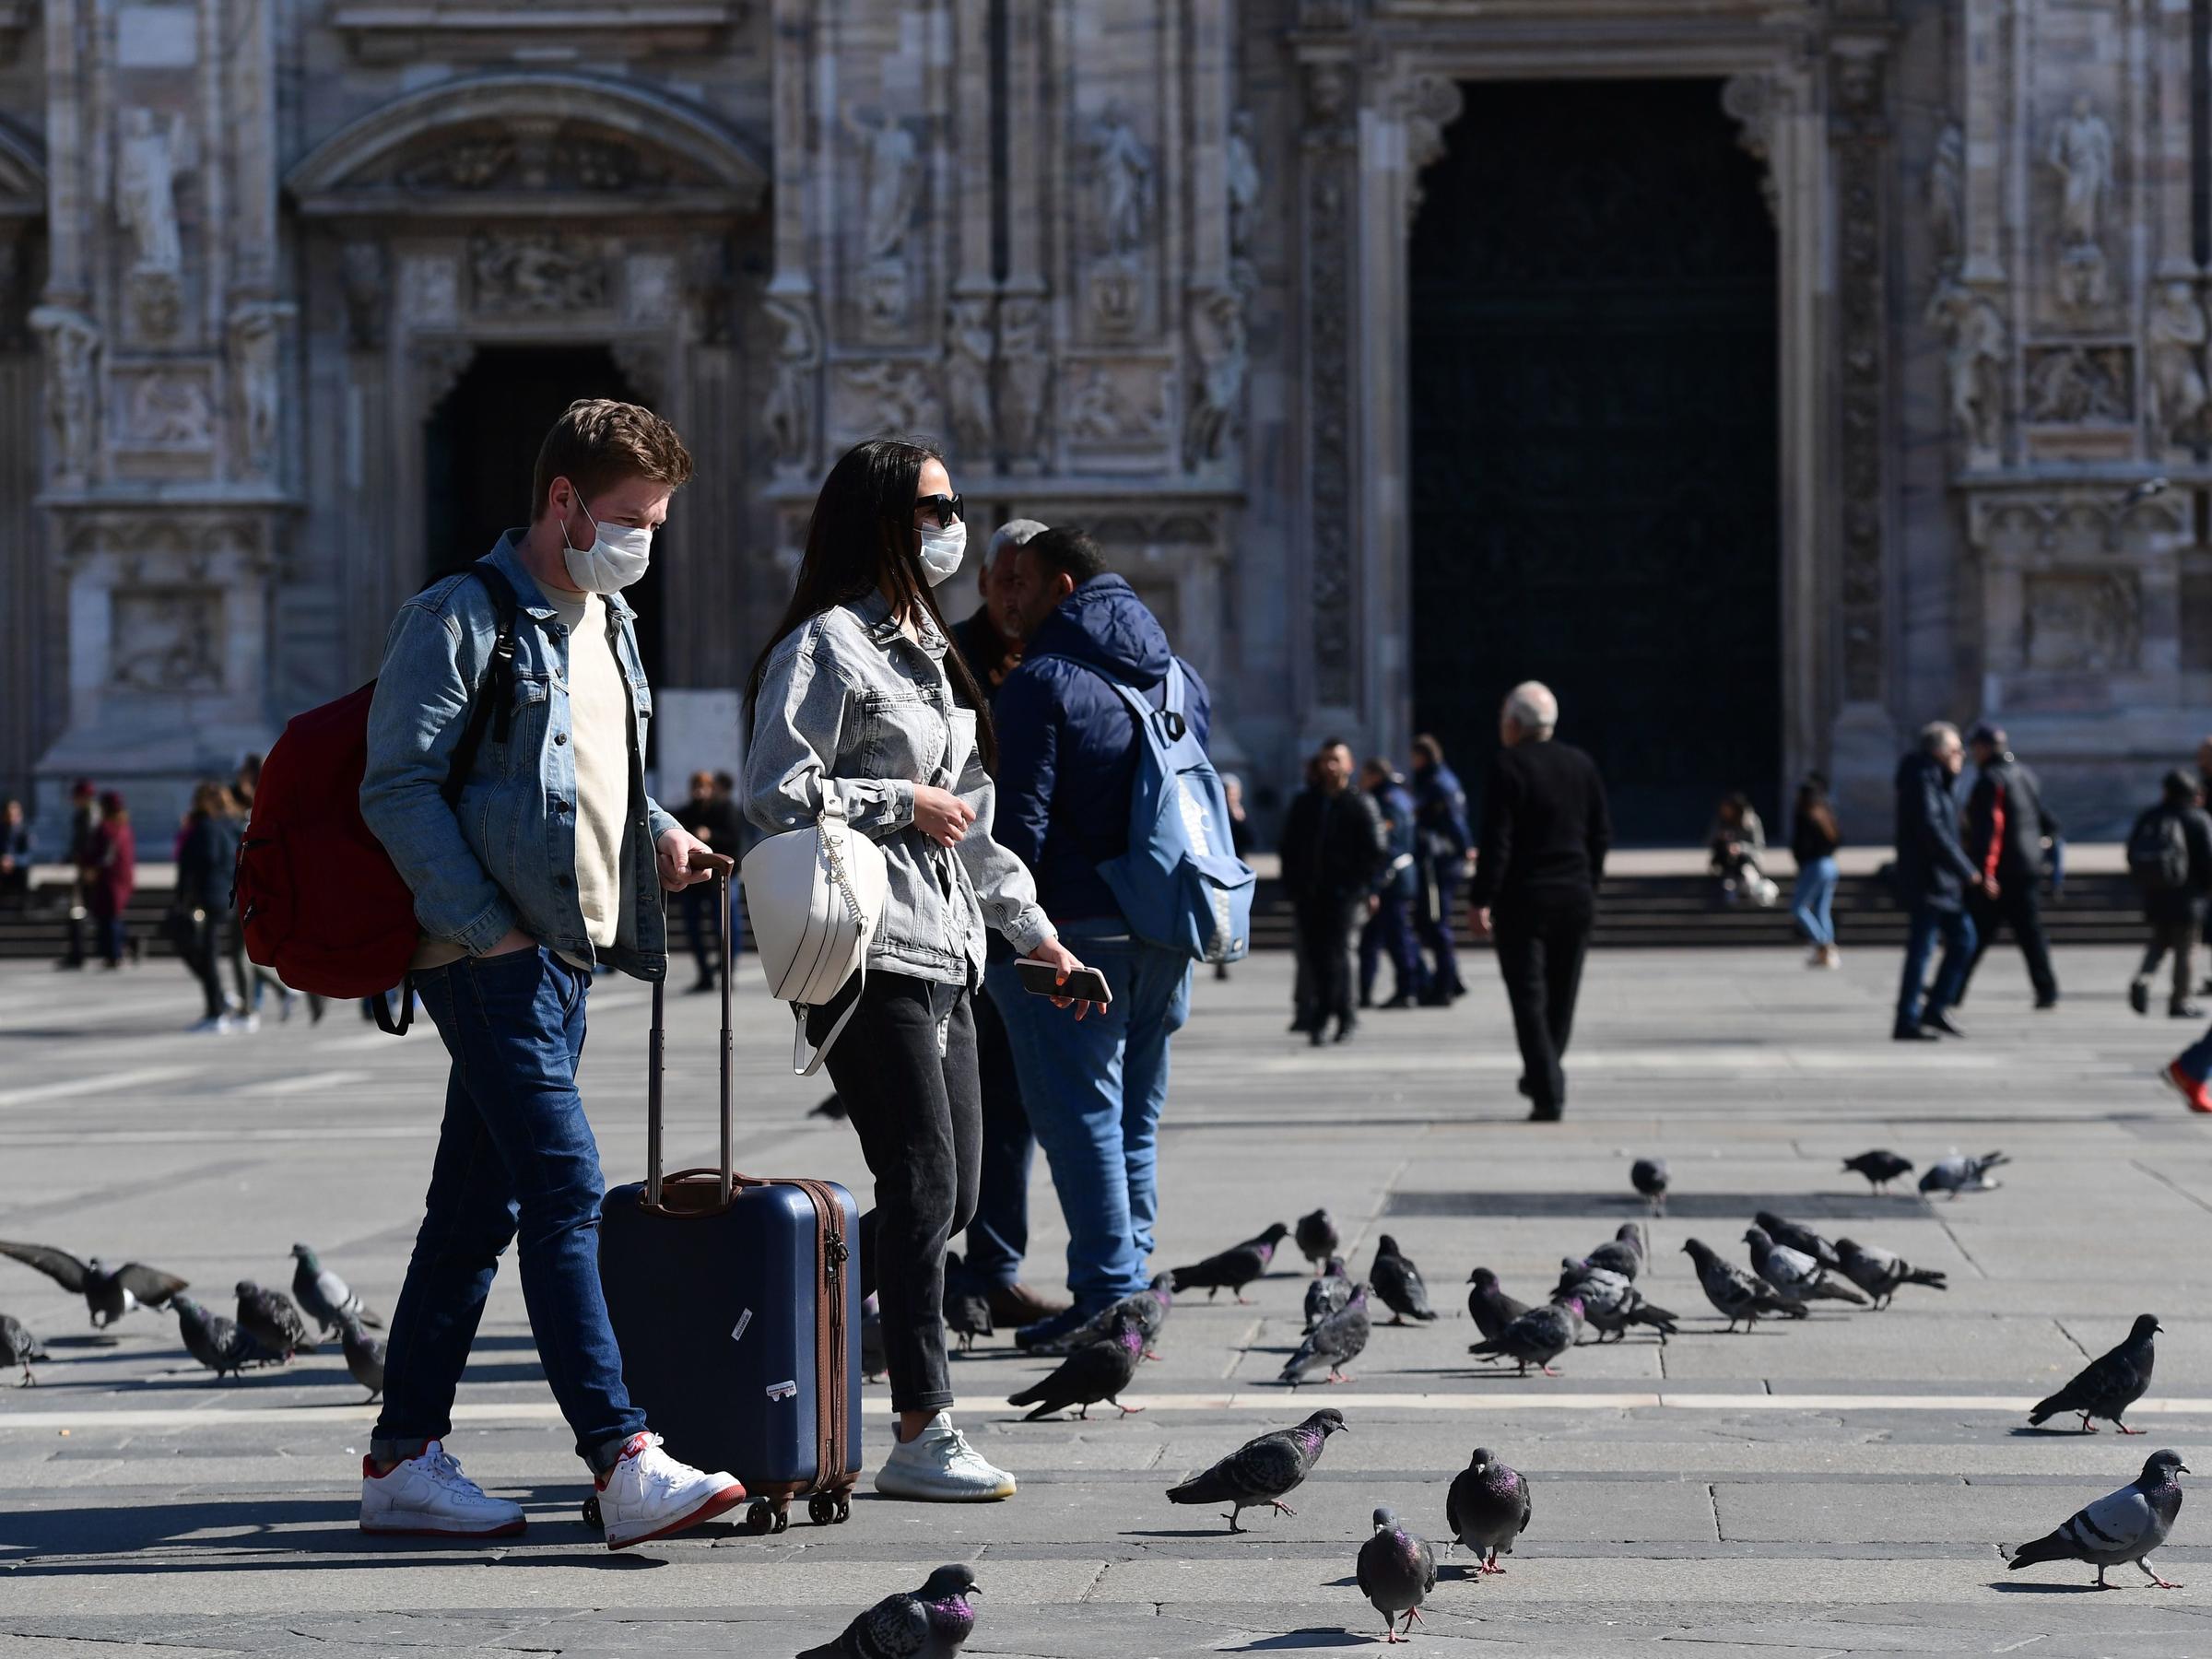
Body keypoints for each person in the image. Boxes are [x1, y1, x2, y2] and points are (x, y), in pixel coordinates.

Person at [359, 396, 744, 1547]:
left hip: (564, 955)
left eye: (659, 524)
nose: (643, 543)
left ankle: (402, 1461)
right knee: (567, 1190)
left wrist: (660, 831)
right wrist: (484, 927)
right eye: (629, 518)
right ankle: (623, 1458)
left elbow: (592, 766)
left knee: (472, 1214)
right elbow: (397, 785)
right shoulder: (460, 616)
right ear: (563, 501)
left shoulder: (606, 621)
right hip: (490, 958)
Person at [745, 438, 1093, 1501]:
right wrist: (899, 803)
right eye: (936, 506)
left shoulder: (928, 654)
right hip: (863, 948)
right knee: (922, 1175)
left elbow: (976, 824)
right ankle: (922, 1427)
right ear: (885, 519)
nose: (954, 524)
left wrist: (1038, 937)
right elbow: (773, 793)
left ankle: (839, 1341)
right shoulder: (824, 648)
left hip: (948, 947)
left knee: (957, 1190)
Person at [988, 524, 1216, 1347]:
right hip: (1164, 929)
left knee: (1080, 1115)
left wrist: (1012, 934)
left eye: (1020, 580)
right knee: (1135, 1116)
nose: (1005, 595)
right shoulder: (1180, 680)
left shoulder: (1041, 683)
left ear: (1063, 590)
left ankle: (1109, 1297)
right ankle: (1133, 1287)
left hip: (1075, 939)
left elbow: (1021, 829)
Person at [948, 516, 1069, 1329]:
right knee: (952, 1118)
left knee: (1014, 1102)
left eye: (1031, 582)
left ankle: (992, 1266)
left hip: (1027, 911)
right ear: (986, 583)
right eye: (1007, 581)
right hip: (961, 908)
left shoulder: (1060, 661)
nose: (1016, 597)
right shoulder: (952, 659)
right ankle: (920, 1276)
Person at [1467, 682, 1610, 1122]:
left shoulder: (1507, 766)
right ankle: (1543, 1073)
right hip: (1573, 897)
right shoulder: (1580, 764)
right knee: (1560, 997)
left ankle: (1547, 1088)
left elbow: (1498, 841)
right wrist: (1589, 883)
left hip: (1522, 899)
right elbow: (1600, 834)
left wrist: (1480, 899)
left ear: (1513, 724)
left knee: (1529, 998)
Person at [1280, 739, 1386, 1046]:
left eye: (1337, 760)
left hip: (1344, 895)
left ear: (1349, 765)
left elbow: (1376, 849)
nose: (1330, 766)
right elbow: (1290, 847)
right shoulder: (1306, 803)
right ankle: (1320, 1014)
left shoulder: (1361, 803)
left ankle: (1345, 1014)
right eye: (1326, 760)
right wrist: (1295, 884)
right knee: (1313, 956)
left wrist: (1361, 885)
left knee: (1340, 954)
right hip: (1311, 895)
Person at [1891, 720, 1989, 1041]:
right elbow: (1933, 831)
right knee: (1923, 948)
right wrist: (1968, 871)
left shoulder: (1937, 779)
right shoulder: (1922, 779)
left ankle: (1934, 1008)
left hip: (1941, 881)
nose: (1962, 754)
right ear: (1939, 751)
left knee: (1963, 940)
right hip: (1928, 880)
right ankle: (1907, 1019)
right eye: (1956, 749)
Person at [1955, 723, 2061, 1010]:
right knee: (2030, 933)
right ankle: (2047, 989)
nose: (1972, 753)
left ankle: (1952, 988)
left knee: (1975, 933)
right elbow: (2045, 820)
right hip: (2027, 866)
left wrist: (1985, 871)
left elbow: (1991, 830)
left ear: (1985, 748)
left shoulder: (1991, 779)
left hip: (2002, 870)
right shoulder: (2024, 774)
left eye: (1975, 746)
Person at [2129, 770, 2212, 1018]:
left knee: (2159, 943)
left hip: (2157, 894)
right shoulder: (2198, 819)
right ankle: (2180, 1001)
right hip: (2190, 897)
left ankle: (2143, 979)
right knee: (2186, 949)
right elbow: (2209, 859)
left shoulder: (2150, 816)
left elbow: (2132, 851)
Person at [174, 781, 244, 1032]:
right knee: (208, 953)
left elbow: (195, 866)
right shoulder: (225, 826)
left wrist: (184, 899)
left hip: (208, 899)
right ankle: (219, 1002)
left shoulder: (205, 829)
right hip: (223, 897)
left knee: (207, 954)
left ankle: (216, 1010)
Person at [1358, 758, 1427, 1009]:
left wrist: (1374, 886)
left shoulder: (1384, 802)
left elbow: (1388, 847)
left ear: (1375, 775)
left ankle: (1408, 989)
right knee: (1375, 938)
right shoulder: (1401, 797)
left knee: (1395, 938)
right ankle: (1366, 991)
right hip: (1399, 876)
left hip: (1391, 880)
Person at [1408, 735, 1471, 1005]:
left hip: (1438, 863)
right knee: (1429, 922)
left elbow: (1453, 821)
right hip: (1436, 861)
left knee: (1435, 921)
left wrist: (1465, 847)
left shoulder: (1437, 784)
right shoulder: (1439, 780)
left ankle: (1445, 985)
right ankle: (1451, 979)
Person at [671, 770, 745, 994]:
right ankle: (704, 974)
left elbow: (734, 840)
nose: (699, 792)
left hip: (721, 880)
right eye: (696, 787)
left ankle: (727, 973)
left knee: (725, 928)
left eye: (704, 787)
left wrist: (710, 836)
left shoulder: (724, 809)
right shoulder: (687, 812)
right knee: (693, 928)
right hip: (696, 882)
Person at [1789, 773, 1843, 969]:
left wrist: (1801, 862)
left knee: (1798, 907)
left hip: (1815, 865)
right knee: (1822, 909)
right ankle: (1826, 952)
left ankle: (1824, 944)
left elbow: (1800, 845)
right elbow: (1838, 839)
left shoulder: (1804, 815)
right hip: (1830, 864)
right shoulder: (1825, 813)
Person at [85, 789, 135, 971]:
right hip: (122, 877)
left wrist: (93, 869)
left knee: (108, 916)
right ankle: (122, 947)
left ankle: (113, 953)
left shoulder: (106, 828)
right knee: (112, 915)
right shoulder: (124, 826)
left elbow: (105, 855)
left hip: (110, 878)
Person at [56, 779, 99, 969]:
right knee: (82, 910)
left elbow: (87, 843)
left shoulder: (90, 816)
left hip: (88, 869)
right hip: (85, 867)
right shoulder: (84, 815)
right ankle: (77, 951)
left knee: (80, 910)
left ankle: (78, 953)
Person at [1708, 794, 1777, 907]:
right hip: (1728, 862)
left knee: (1746, 877)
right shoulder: (1722, 821)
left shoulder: (1751, 821)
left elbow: (1759, 847)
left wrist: (1740, 847)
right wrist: (1721, 839)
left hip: (1747, 861)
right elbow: (1710, 840)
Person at [0, 796, 30, 911]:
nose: (11, 818)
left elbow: (27, 854)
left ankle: (23, 905)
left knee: (24, 872)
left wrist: (13, 860)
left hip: (17, 867)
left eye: (14, 815)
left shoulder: (24, 832)